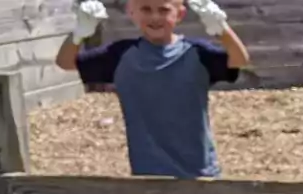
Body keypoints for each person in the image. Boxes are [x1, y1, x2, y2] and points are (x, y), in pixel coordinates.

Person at [55, 0, 249, 179]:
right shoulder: (120, 55)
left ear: (179, 15)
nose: (155, 17)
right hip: (147, 174)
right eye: (146, 9)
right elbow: (65, 62)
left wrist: (222, 29)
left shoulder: (196, 53)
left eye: (164, 10)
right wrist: (78, 34)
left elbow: (239, 60)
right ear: (132, 12)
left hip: (200, 173)